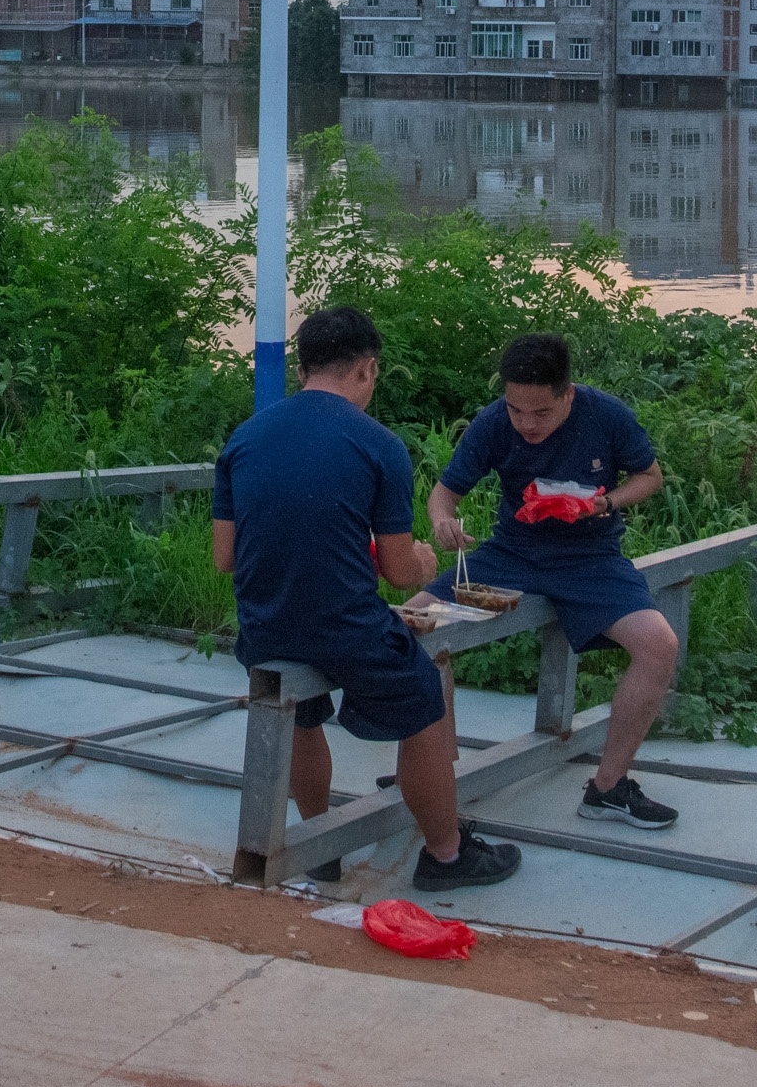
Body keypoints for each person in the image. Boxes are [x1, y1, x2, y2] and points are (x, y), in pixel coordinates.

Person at [208, 305, 522, 895]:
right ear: (367, 370)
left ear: (302, 369)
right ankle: (446, 855)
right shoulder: (378, 444)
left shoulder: (244, 438)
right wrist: (426, 562)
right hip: (347, 627)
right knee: (425, 698)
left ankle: (320, 845)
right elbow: (403, 573)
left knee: (300, 718)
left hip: (265, 626)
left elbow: (226, 558)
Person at [429, 331, 679, 831]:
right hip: (510, 553)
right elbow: (444, 493)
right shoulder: (494, 421)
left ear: (567, 393)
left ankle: (608, 789)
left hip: (590, 556)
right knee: (416, 626)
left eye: (540, 413)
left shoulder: (606, 415)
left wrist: (605, 502)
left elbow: (650, 477)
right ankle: (432, 769)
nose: (525, 424)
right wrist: (442, 524)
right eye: (516, 410)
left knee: (659, 645)